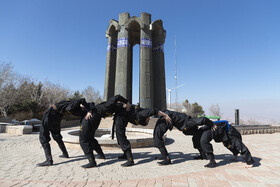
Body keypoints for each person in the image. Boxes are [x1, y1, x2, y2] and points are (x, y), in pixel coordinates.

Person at [37, 98, 93, 167]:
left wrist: (89, 110)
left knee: (55, 135)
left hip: (57, 115)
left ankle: (49, 160)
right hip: (51, 113)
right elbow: (82, 99)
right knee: (44, 137)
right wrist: (89, 110)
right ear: (82, 107)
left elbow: (90, 104)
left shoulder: (75, 106)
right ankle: (64, 154)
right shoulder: (74, 105)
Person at [79, 94, 130, 168]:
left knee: (84, 139)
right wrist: (127, 102)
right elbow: (117, 96)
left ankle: (92, 161)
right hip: (92, 117)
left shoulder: (113, 109)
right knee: (87, 138)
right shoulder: (109, 104)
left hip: (95, 118)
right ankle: (100, 155)